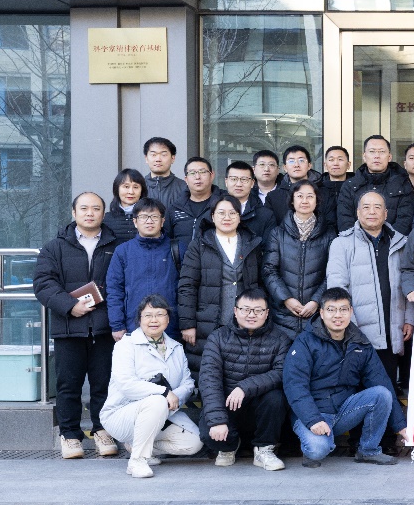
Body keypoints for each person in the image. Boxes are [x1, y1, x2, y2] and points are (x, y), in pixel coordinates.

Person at [34, 191, 121, 460]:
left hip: (105, 328)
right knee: (68, 385)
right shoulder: (54, 247)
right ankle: (70, 435)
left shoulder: (116, 245)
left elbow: (122, 283)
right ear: (74, 213)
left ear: (103, 213)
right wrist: (70, 305)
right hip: (68, 327)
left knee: (103, 383)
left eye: (96, 208)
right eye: (84, 208)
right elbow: (43, 283)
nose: (90, 213)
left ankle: (102, 430)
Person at [283, 287, 406, 467]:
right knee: (317, 450)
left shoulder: (360, 342)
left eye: (343, 309)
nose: (337, 315)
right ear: (322, 313)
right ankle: (312, 447)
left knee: (382, 393)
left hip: (343, 411)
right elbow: (294, 386)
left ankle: (368, 450)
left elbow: (381, 380)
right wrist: (313, 420)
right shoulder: (305, 341)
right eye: (331, 310)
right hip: (312, 412)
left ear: (351, 311)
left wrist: (400, 425)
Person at [100, 296, 203, 478]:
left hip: (165, 412)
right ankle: (137, 461)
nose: (154, 320)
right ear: (139, 319)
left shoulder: (176, 347)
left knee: (193, 442)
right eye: (148, 315)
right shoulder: (126, 345)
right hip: (122, 413)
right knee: (156, 401)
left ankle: (137, 446)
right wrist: (163, 393)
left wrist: (173, 397)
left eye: (160, 314)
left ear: (168, 319)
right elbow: (126, 384)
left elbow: (187, 383)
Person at [199, 288, 292, 471]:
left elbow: (281, 372)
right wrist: (217, 421)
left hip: (259, 406)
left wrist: (244, 387)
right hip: (227, 404)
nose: (251, 315)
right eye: (246, 309)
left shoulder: (280, 339)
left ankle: (264, 449)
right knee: (211, 434)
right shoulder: (218, 337)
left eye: (258, 310)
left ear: (266, 313)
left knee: (276, 397)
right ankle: (229, 447)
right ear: (235, 311)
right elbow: (209, 380)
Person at [327, 190, 411, 383]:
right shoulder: (342, 244)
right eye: (366, 207)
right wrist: (350, 326)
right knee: (359, 388)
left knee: (387, 388)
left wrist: (409, 318)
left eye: (377, 207)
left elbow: (409, 283)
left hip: (392, 330)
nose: (372, 211)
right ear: (358, 213)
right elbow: (337, 287)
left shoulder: (401, 243)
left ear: (386, 213)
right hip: (357, 332)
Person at [177, 196, 264, 375]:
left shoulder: (251, 244)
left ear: (239, 217)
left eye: (232, 213)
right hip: (208, 321)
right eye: (221, 213)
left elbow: (259, 284)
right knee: (208, 372)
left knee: (241, 372)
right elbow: (187, 286)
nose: (227, 218)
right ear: (213, 216)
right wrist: (187, 324)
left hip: (244, 322)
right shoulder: (199, 245)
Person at [263, 180, 336, 340]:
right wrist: (286, 299)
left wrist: (316, 301)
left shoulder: (329, 234)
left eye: (310, 196)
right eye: (300, 196)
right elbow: (269, 270)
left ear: (317, 201)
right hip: (282, 316)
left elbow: (333, 273)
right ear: (292, 200)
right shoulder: (278, 234)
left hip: (317, 316)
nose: (304, 201)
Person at [107, 197, 179, 342]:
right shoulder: (123, 251)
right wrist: (117, 324)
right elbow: (114, 290)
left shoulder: (177, 249)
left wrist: (187, 324)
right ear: (135, 221)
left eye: (154, 217)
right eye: (144, 217)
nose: (149, 221)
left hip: (171, 327)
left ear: (162, 221)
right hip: (133, 326)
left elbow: (187, 290)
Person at [337, 134, 414, 235]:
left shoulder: (403, 184)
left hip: (393, 242)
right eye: (372, 151)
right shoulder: (350, 186)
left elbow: (405, 221)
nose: (377, 156)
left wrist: (385, 241)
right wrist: (361, 241)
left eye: (382, 152)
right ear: (364, 156)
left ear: (389, 157)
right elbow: (345, 221)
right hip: (356, 242)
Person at [167, 156, 222, 259]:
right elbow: (166, 240)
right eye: (192, 173)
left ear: (212, 175)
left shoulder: (223, 203)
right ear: (186, 179)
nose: (197, 177)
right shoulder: (175, 208)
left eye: (203, 172)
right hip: (181, 265)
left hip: (214, 264)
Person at [267, 145, 327, 224]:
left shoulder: (325, 192)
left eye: (301, 160)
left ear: (309, 165)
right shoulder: (273, 196)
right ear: (285, 167)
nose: (296, 165)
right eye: (291, 161)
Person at [222, 160, 277, 240]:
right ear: (226, 182)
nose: (238, 184)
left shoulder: (266, 215)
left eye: (244, 179)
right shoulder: (214, 210)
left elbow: (270, 245)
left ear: (252, 183)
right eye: (234, 179)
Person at [143, 137, 186, 212]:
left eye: (164, 155)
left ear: (173, 158)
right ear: (146, 158)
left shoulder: (184, 188)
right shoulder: (138, 187)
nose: (158, 159)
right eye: (153, 155)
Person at [104, 168, 147, 241]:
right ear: (117, 189)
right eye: (126, 187)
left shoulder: (150, 217)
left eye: (136, 187)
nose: (131, 192)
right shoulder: (106, 219)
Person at [321, 145, 354, 229]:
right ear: (325, 165)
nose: (335, 163)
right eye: (331, 160)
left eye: (340, 159)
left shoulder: (356, 187)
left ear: (348, 165)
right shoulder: (317, 188)